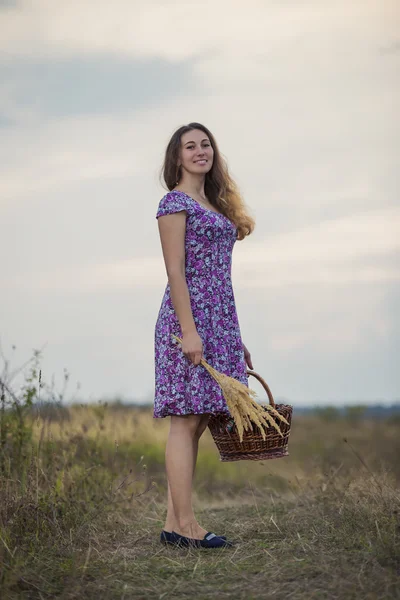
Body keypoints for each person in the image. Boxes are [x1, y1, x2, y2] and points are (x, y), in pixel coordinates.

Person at [154, 122, 255, 549]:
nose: (200, 151)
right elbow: (175, 271)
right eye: (190, 146)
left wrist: (235, 337)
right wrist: (190, 332)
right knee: (185, 420)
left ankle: (171, 523)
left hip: (219, 322)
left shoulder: (212, 204)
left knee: (197, 423)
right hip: (186, 323)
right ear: (176, 158)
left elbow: (219, 277)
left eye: (206, 144)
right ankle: (186, 527)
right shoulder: (174, 203)